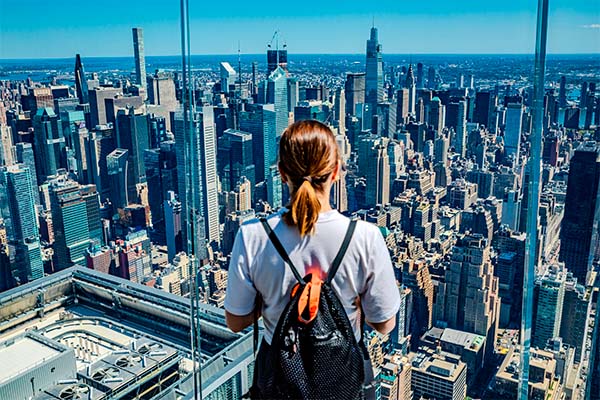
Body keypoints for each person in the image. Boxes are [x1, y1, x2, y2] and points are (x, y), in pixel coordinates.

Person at [224, 120, 400, 398]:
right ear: (336, 172)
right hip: (340, 379)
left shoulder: (252, 236)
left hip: (279, 381)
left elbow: (235, 322)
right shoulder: (366, 237)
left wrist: (269, 301)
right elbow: (385, 324)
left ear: (282, 173)